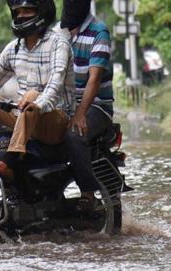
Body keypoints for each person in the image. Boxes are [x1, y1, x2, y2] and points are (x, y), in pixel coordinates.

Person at [0, 0, 75, 178]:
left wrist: (38, 103)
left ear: (42, 12)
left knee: (32, 96)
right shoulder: (13, 48)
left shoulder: (58, 44)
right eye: (18, 11)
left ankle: (9, 161)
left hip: (56, 122)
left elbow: (55, 84)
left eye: (28, 10)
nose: (21, 15)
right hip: (23, 118)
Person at [59, 0, 115, 211]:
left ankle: (88, 193)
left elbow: (95, 79)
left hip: (97, 106)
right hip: (65, 104)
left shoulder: (99, 32)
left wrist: (81, 114)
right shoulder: (59, 32)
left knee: (74, 133)